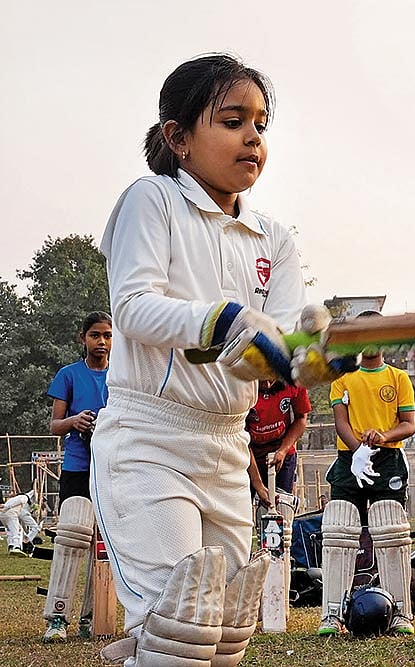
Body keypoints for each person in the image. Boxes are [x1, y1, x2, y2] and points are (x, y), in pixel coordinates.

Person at [90, 54, 327, 666]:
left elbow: (270, 353)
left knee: (222, 638)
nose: (253, 137)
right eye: (231, 120)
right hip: (148, 437)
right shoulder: (153, 200)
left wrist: (310, 354)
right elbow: (136, 310)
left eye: (261, 124)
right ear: (178, 137)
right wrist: (222, 320)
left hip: (226, 447)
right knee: (179, 634)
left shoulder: (273, 238)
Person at [319, 311, 415, 637]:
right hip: (349, 458)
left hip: (388, 460)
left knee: (391, 531)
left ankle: (401, 612)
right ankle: (331, 614)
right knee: (339, 529)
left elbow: (408, 424)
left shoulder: (398, 378)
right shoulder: (343, 377)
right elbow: (341, 422)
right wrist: (358, 450)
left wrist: (383, 437)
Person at [41, 310, 112, 642]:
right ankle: (57, 617)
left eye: (107, 335)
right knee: (73, 532)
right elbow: (54, 425)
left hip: (113, 469)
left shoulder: (122, 376)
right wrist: (75, 422)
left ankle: (91, 617)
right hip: (77, 466)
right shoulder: (69, 375)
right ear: (82, 338)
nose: (102, 341)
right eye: (95, 335)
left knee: (104, 545)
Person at [246, 378, 311, 500]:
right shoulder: (241, 386)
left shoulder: (293, 379)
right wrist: (258, 484)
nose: (268, 385)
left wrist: (283, 450)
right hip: (248, 452)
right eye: (262, 379)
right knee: (242, 508)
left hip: (281, 450)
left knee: (281, 506)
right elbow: (240, 436)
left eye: (271, 379)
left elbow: (301, 418)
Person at [2, 489, 40, 556]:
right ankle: (17, 547)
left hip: (2, 514)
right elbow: (21, 500)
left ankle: (11, 546)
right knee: (17, 531)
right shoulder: (24, 497)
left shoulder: (12, 499)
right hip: (10, 513)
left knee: (10, 530)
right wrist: (6, 507)